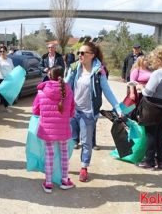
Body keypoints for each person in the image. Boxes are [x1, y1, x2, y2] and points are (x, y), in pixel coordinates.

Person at [66, 42, 121, 182]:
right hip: (73, 111)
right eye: (79, 52)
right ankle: (63, 164)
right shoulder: (73, 68)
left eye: (83, 53)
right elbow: (65, 86)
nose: (80, 55)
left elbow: (107, 90)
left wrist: (117, 107)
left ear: (92, 55)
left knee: (86, 142)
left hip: (89, 113)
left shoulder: (99, 71)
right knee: (70, 140)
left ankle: (84, 167)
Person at [32, 66, 75, 193]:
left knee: (49, 154)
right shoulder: (68, 91)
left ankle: (48, 183)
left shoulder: (41, 91)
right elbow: (72, 112)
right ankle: (65, 180)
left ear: (50, 76)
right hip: (63, 128)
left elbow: (35, 110)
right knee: (64, 153)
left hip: (47, 129)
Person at [136, 45, 162, 170]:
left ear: (159, 60)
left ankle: (149, 161)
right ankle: (160, 160)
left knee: (151, 135)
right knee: (159, 134)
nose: (151, 61)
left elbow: (148, 92)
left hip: (153, 107)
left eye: (153, 59)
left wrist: (140, 88)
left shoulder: (158, 73)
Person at [0, 46, 14, 112]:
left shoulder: (10, 60)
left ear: (6, 52)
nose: (2, 53)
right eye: (0, 51)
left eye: (3, 51)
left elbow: (12, 69)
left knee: (6, 94)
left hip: (6, 79)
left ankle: (6, 107)